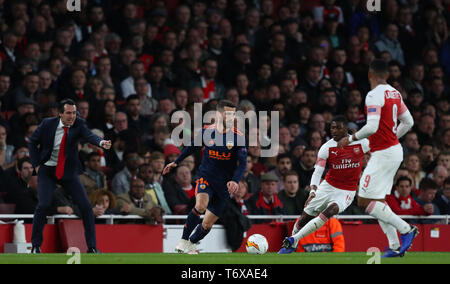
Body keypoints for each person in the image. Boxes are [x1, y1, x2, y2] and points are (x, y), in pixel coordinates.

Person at [337, 59, 417, 257]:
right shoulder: (394, 93)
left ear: (369, 75)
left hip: (384, 154)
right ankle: (395, 245)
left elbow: (372, 127)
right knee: (377, 200)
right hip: (393, 150)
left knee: (364, 201)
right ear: (387, 75)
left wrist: (350, 138)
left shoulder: (373, 95)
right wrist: (392, 137)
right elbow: (409, 121)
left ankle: (407, 229)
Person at [162, 100, 247, 254]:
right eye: (227, 114)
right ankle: (183, 240)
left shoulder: (238, 137)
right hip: (206, 177)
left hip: (224, 185)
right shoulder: (206, 131)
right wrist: (176, 162)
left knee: (207, 225)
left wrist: (234, 180)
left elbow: (242, 164)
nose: (230, 117)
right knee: (200, 205)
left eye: (232, 114)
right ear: (218, 114)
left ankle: (191, 243)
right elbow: (191, 148)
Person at [28, 99, 111, 254]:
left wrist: (101, 142)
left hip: (68, 173)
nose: (72, 116)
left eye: (74, 113)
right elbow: (32, 143)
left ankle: (92, 247)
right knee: (43, 205)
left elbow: (89, 136)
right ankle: (35, 246)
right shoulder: (47, 124)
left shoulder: (79, 124)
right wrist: (36, 165)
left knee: (86, 207)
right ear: (60, 113)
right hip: (47, 171)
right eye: (68, 113)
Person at [279, 115, 370, 254]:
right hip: (328, 186)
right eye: (332, 127)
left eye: (338, 128)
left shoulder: (361, 143)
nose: (334, 130)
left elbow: (379, 151)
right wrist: (313, 192)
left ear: (346, 129)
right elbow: (317, 172)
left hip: (347, 190)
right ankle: (292, 244)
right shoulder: (326, 147)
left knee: (331, 210)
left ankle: (292, 239)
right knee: (305, 217)